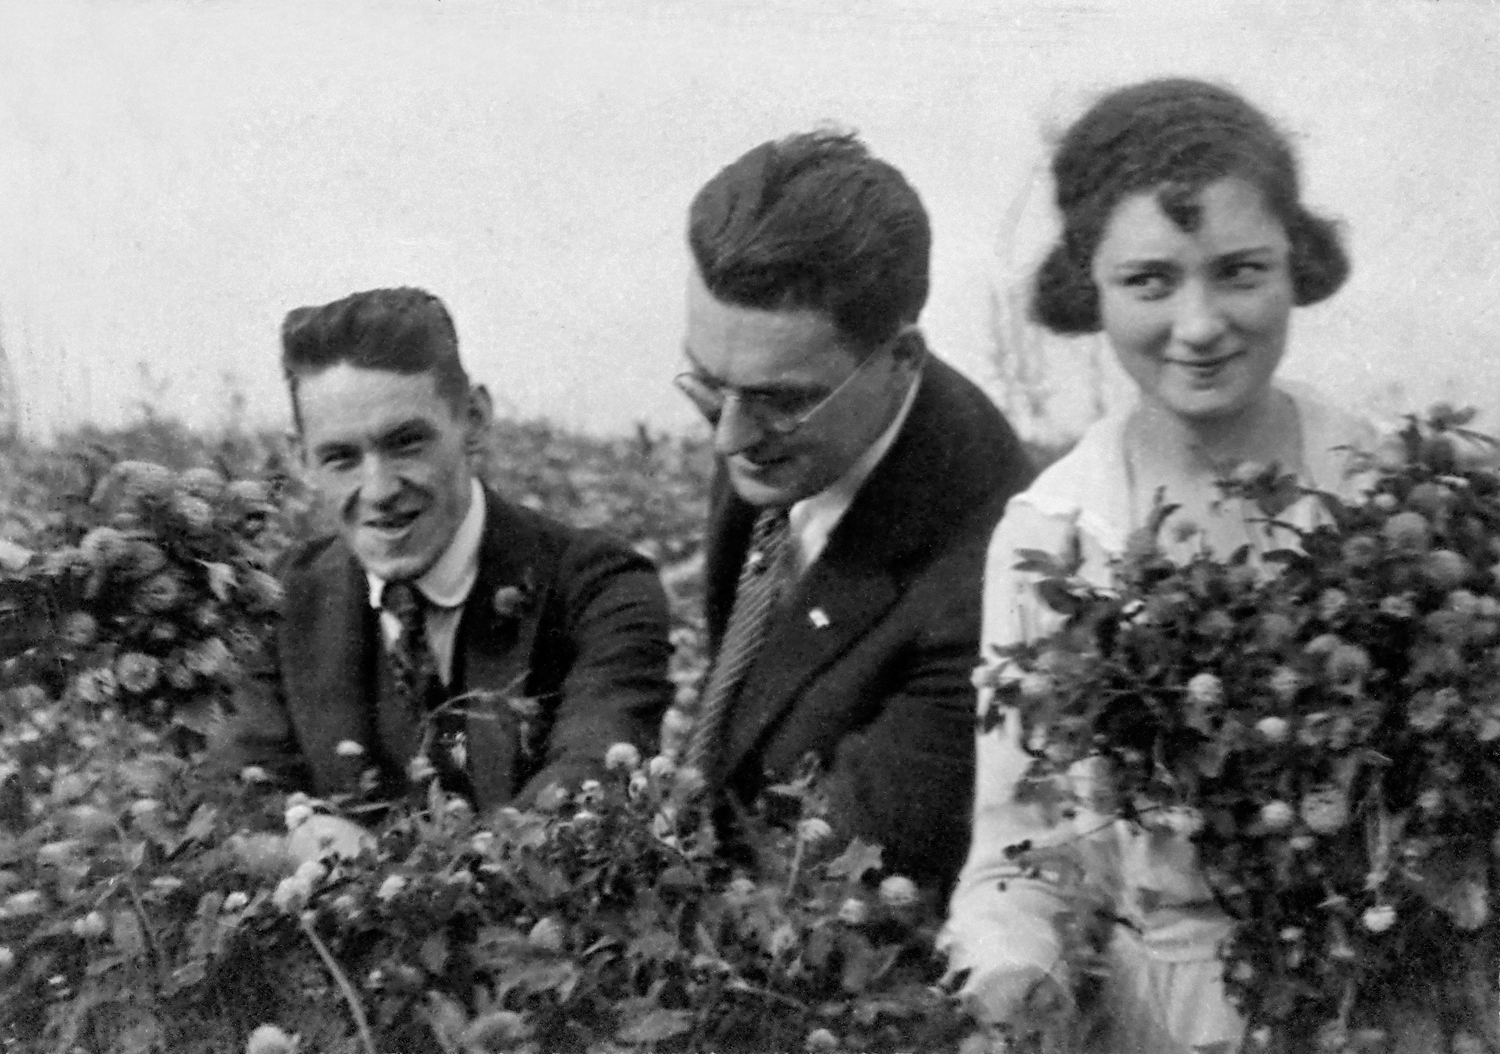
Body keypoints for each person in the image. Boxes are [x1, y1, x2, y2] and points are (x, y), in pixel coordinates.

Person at [942, 79, 1380, 1052]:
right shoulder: (1055, 537)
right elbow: (1025, 836)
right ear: (1086, 287)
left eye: (1239, 271)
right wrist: (1015, 971)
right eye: (1150, 281)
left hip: (1391, 992)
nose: (1199, 323)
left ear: (1294, 263)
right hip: (1166, 1016)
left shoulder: (1395, 495)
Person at [678, 131, 1035, 889]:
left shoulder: (982, 584)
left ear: (903, 357)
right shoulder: (785, 419)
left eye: (780, 401)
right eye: (709, 386)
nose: (729, 437)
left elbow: (837, 891)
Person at [219, 287, 672, 827]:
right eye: (340, 457)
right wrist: (304, 839)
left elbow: (592, 779)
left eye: (406, 443)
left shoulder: (598, 588)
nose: (379, 489)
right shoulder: (278, 603)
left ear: (474, 420)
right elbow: (239, 793)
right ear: (300, 460)